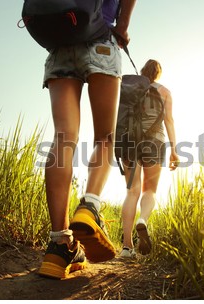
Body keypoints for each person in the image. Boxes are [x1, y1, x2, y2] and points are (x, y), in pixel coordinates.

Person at [38, 0, 137, 279]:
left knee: (63, 137)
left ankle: (59, 244)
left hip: (60, 43)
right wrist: (123, 27)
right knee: (105, 137)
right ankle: (89, 207)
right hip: (101, 39)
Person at [119, 59, 179, 258]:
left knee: (131, 192)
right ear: (158, 74)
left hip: (129, 140)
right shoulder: (165, 92)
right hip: (155, 141)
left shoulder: (130, 87)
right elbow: (169, 121)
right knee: (149, 191)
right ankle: (143, 219)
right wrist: (174, 150)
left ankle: (127, 247)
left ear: (143, 71)